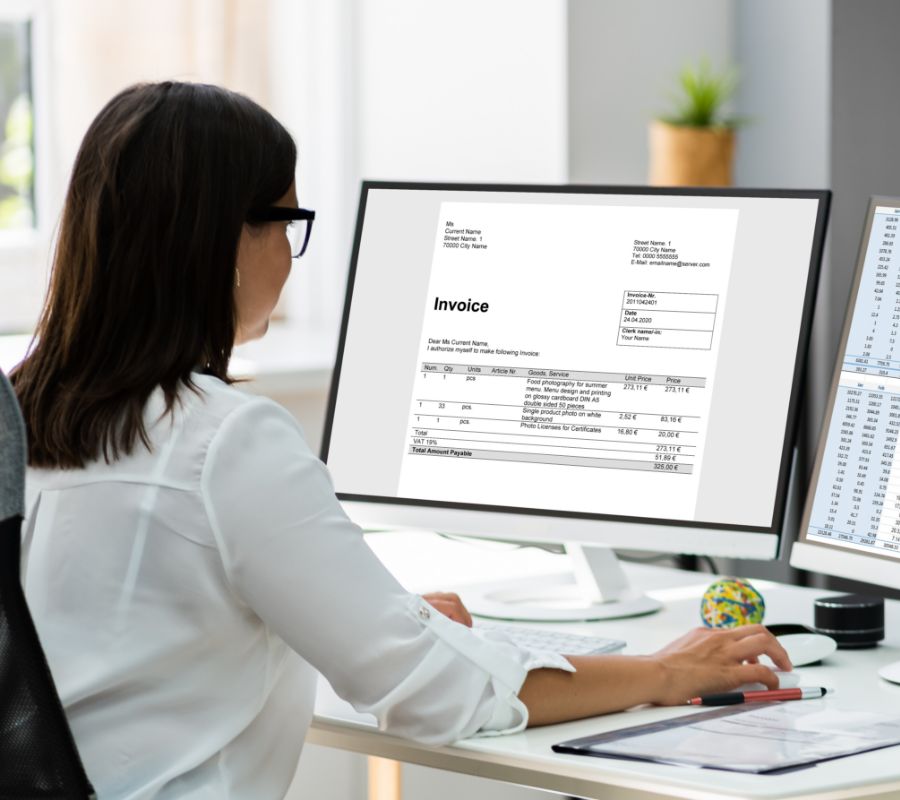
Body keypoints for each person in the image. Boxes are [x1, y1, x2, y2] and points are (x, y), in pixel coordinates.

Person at [11, 82, 791, 799]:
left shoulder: (21, 414)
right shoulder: (225, 440)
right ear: (219, 240)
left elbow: (137, 629)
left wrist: (374, 613)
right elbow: (432, 696)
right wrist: (660, 672)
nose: (288, 252)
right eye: (287, 221)